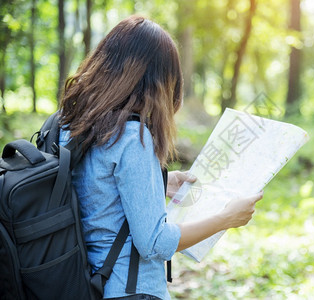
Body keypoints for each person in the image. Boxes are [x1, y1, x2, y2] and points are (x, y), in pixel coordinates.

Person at [58, 15, 263, 300]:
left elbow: (93, 189)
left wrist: (158, 182)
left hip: (87, 283)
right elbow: (155, 243)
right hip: (131, 290)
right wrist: (226, 218)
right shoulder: (131, 137)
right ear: (156, 81)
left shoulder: (73, 125)